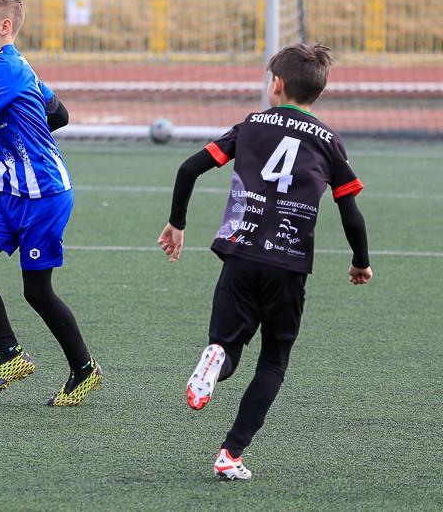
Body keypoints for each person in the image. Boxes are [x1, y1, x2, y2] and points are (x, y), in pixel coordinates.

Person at [157, 42, 373, 480]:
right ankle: (230, 454)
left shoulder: (251, 125)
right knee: (273, 361)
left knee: (229, 346)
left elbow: (187, 169)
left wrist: (177, 223)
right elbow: (350, 209)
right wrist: (360, 261)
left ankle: (215, 356)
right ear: (319, 93)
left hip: (239, 252)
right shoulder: (329, 141)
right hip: (288, 264)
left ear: (276, 84)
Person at [0, 0, 102, 406]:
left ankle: (84, 370)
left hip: (44, 196)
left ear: (5, 26)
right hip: (7, 191)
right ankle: (10, 354)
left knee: (37, 292)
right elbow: (58, 114)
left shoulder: (8, 68)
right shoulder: (15, 67)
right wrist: (7, 129)